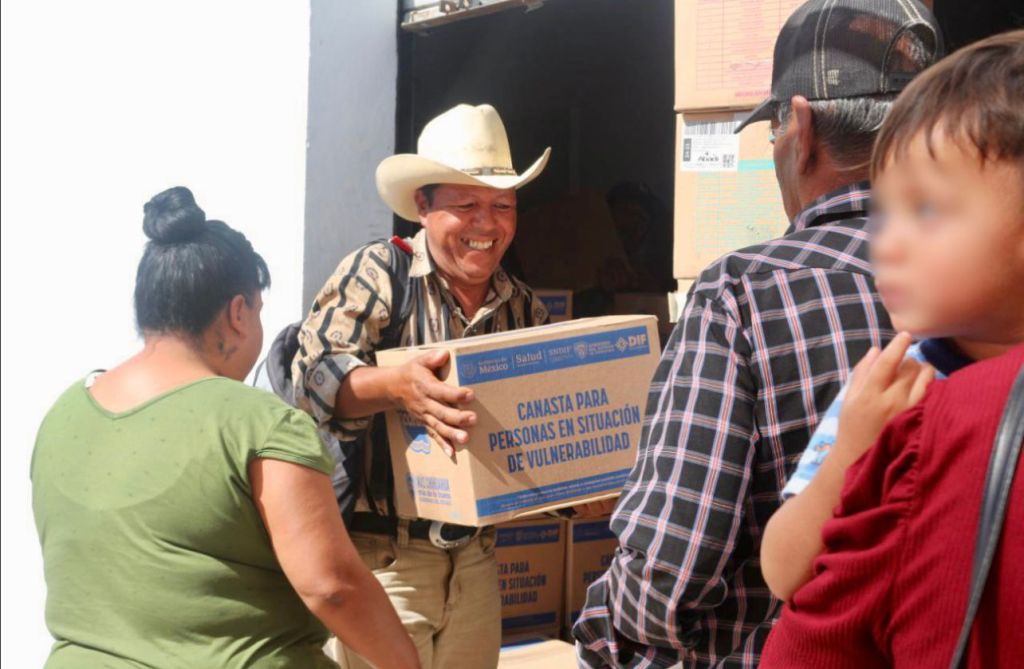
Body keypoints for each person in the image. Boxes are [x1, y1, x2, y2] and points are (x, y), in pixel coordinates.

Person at [573, 1, 942, 666]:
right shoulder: (987, 288)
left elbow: (670, 572)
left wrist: (601, 625)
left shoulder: (742, 294)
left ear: (799, 128)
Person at [30, 188, 419, 668]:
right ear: (238, 313)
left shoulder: (64, 413)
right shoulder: (258, 424)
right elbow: (332, 587)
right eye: (257, 311)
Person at [293, 103, 609, 669]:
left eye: (502, 206)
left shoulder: (522, 307)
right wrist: (396, 386)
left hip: (476, 563)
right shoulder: (379, 274)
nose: (487, 225)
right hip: (384, 565)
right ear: (423, 206)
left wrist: (578, 496)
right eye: (465, 205)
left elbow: (532, 438)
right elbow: (312, 376)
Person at [759, 30, 1024, 667]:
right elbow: (783, 570)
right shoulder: (886, 386)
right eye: (885, 213)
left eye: (927, 211)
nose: (888, 243)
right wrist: (853, 448)